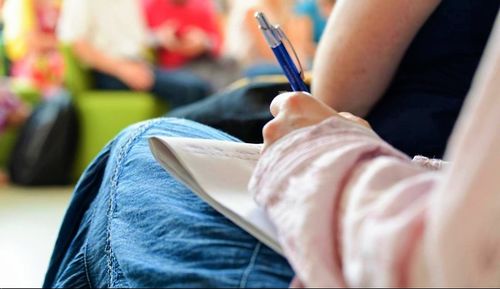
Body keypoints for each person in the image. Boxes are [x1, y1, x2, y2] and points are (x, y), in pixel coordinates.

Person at [44, 1, 499, 288]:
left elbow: (337, 91)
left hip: (389, 237)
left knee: (146, 149)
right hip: (403, 189)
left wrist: (322, 149)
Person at [57, 0, 211, 109]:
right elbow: (78, 45)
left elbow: (134, 41)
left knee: (201, 85)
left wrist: (161, 37)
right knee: (190, 89)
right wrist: (123, 70)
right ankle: (166, 149)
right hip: (109, 71)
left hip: (137, 64)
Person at [224, 0, 315, 77]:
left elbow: (295, 46)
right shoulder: (252, 9)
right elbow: (269, 53)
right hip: (250, 68)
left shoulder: (283, 9)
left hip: (270, 65)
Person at [3, 0, 64, 95]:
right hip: (32, 67)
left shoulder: (59, 3)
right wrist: (64, 44)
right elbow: (32, 41)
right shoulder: (21, 4)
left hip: (58, 61)